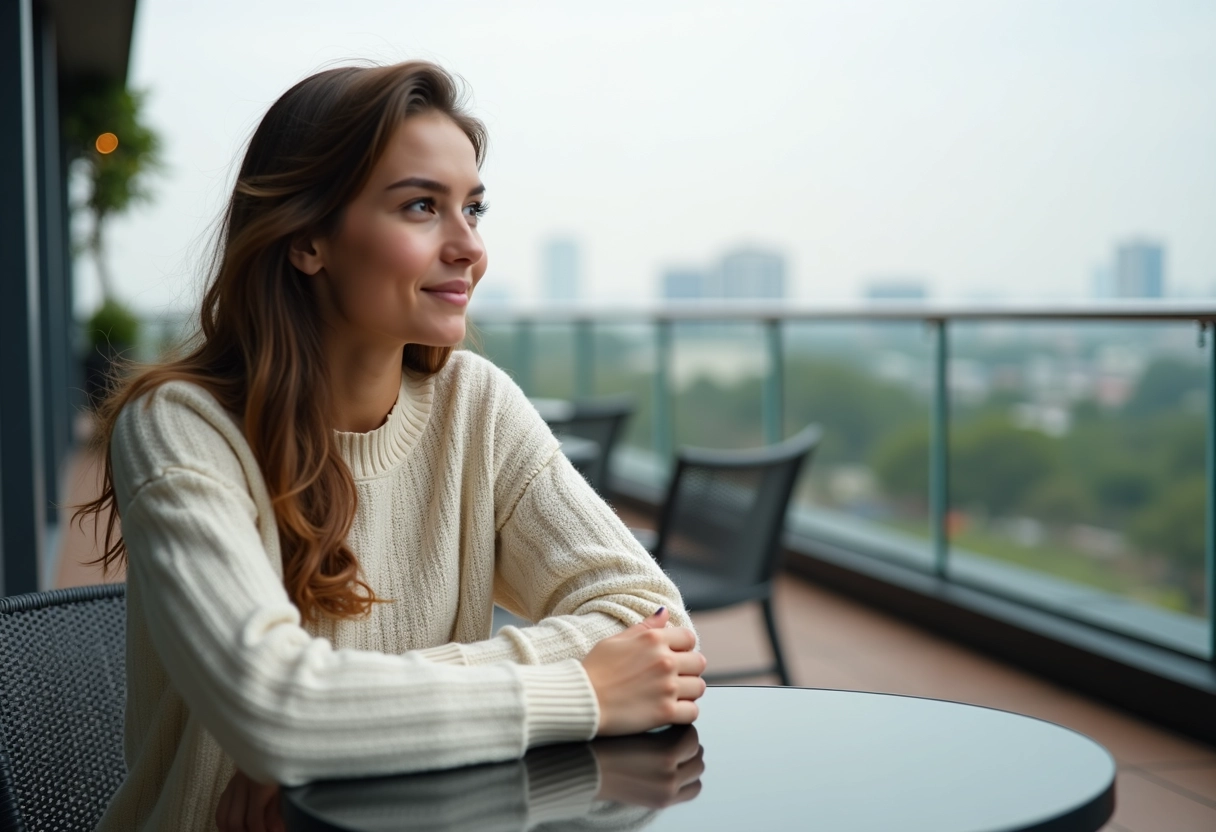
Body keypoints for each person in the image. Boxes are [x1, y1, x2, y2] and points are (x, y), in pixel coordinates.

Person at [80, 61, 706, 832]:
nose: (468, 247)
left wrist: (348, 731)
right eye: (421, 207)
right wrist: (581, 691)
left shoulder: (476, 405)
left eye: (473, 209)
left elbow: (655, 623)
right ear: (309, 239)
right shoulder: (182, 428)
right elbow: (277, 710)